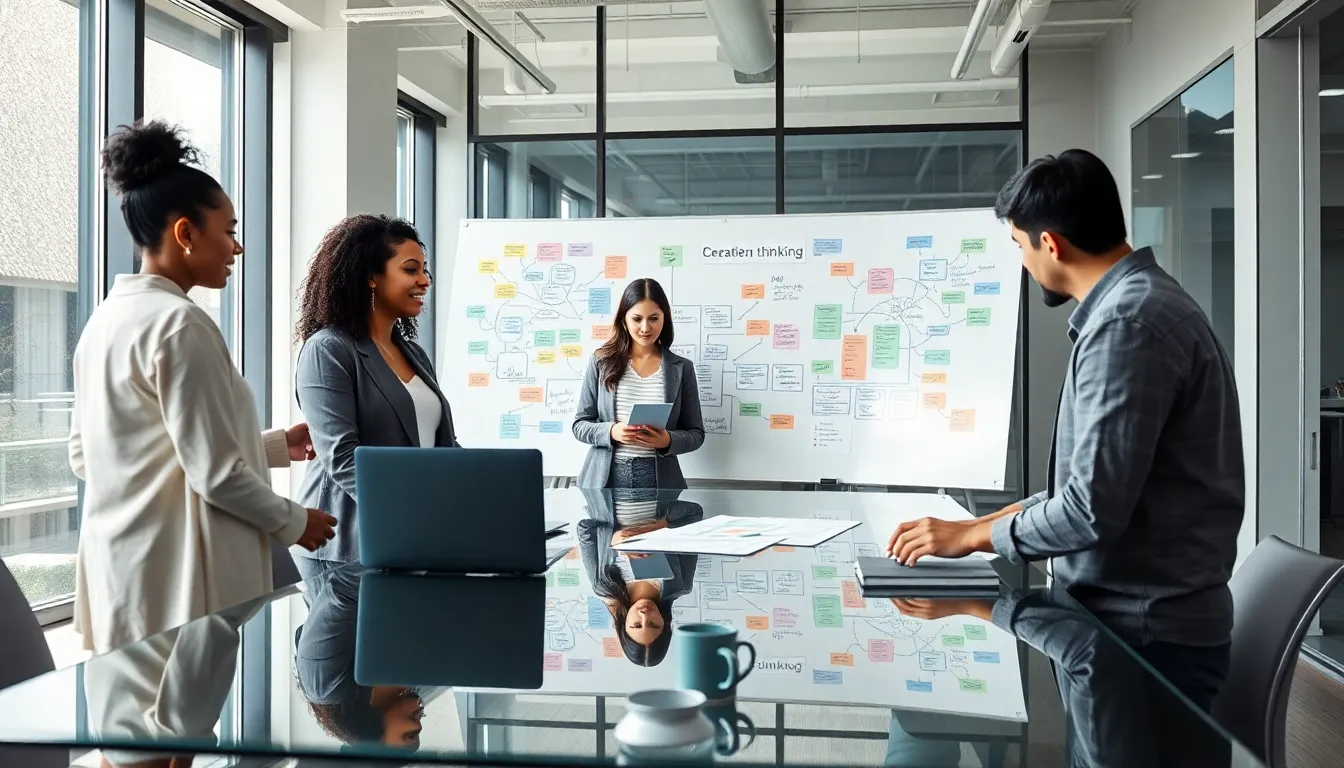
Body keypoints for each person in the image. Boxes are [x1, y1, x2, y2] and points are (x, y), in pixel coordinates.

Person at [884, 149, 1243, 710]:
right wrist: (996, 520)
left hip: (1142, 643)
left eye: (1019, 246)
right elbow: (1104, 483)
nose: (1023, 263)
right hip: (1136, 630)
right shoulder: (1139, 305)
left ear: (1050, 243)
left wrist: (970, 538)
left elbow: (1091, 508)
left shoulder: (1128, 325)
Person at [69, 121, 335, 655]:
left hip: (121, 575)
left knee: (135, 733)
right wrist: (295, 521)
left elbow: (91, 454)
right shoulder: (180, 325)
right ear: (186, 234)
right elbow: (215, 474)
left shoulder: (107, 320)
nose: (236, 247)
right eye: (228, 230)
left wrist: (271, 446)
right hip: (179, 584)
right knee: (177, 734)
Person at [294, 214, 459, 578]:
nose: (424, 281)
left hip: (410, 538)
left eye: (425, 270)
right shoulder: (328, 350)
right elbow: (341, 458)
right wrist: (414, 512)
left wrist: (480, 491)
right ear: (371, 276)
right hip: (346, 546)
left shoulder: (413, 353)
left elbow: (440, 447)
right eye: (411, 270)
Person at [572, 278, 704, 489]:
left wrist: (667, 440)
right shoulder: (600, 361)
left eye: (654, 318)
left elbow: (696, 434)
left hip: (660, 482)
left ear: (665, 319)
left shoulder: (682, 368)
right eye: (636, 318)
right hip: (604, 482)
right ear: (624, 319)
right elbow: (580, 425)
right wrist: (611, 432)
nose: (645, 327)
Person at [576, 488, 702, 666]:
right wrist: (660, 525)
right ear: (666, 623)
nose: (644, 615)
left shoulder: (604, 586)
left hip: (605, 485)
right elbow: (693, 514)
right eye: (653, 624)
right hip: (656, 482)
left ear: (623, 624)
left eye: (636, 625)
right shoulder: (680, 584)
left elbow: (585, 528)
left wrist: (613, 540)